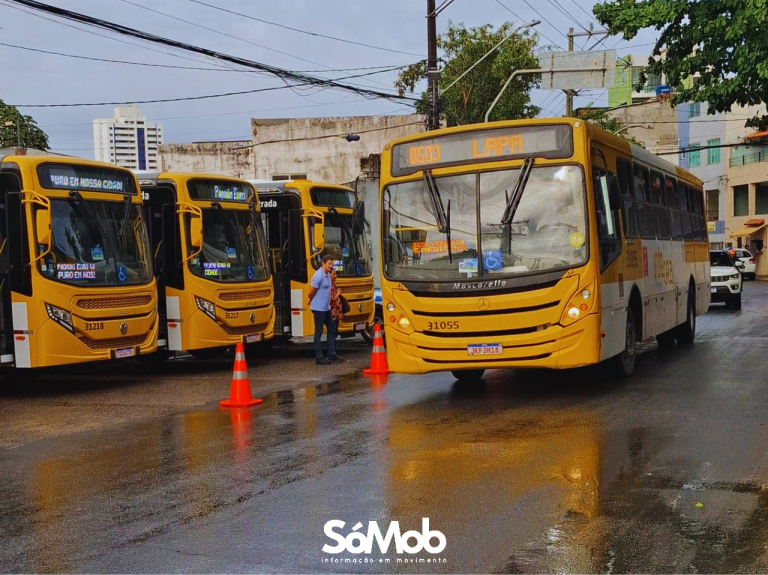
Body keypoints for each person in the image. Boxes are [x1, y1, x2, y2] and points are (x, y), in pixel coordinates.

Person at [308, 255, 341, 365]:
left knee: (332, 328)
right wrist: (311, 300)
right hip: (318, 308)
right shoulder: (318, 276)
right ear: (323, 263)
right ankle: (319, 357)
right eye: (329, 264)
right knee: (318, 332)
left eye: (332, 264)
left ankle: (331, 354)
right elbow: (311, 291)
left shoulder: (327, 275)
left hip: (326, 308)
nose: (330, 266)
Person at [329, 269, 344, 355]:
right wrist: (338, 293)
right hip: (332, 314)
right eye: (334, 275)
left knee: (335, 332)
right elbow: (332, 299)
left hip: (336, 313)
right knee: (333, 332)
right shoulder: (329, 286)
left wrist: (340, 312)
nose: (336, 276)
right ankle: (332, 352)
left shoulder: (333, 285)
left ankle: (333, 351)